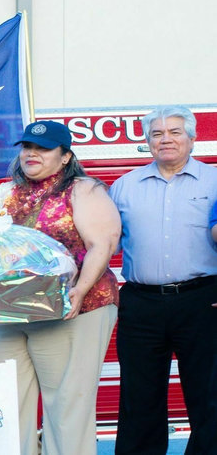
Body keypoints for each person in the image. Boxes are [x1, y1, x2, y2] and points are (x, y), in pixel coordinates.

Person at [0, 121, 120, 455]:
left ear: (65, 157)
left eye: (43, 148)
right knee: (4, 403)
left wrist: (79, 290)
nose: (32, 153)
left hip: (74, 310)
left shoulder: (83, 190)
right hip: (4, 314)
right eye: (26, 147)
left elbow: (101, 245)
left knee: (67, 406)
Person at [109, 106, 217, 455]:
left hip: (203, 300)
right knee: (139, 397)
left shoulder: (215, 181)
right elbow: (102, 242)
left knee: (209, 395)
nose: (165, 139)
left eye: (174, 132)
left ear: (192, 138)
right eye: (157, 134)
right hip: (142, 303)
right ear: (147, 142)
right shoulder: (124, 186)